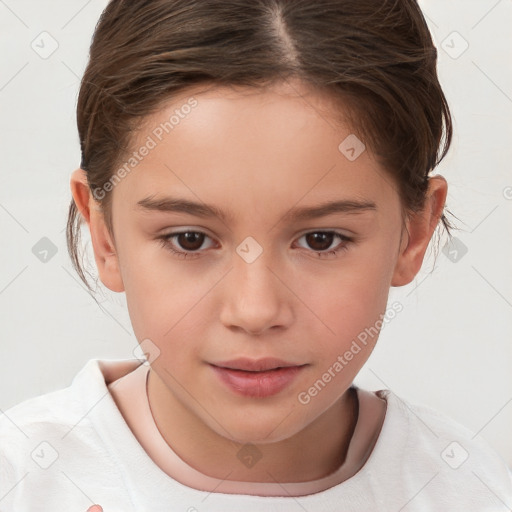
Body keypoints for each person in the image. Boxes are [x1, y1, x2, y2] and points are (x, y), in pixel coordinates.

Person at [1, 0, 511, 510]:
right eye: (190, 240)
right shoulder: (23, 479)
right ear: (104, 234)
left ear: (412, 232)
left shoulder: (468, 490)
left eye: (321, 240)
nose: (255, 311)